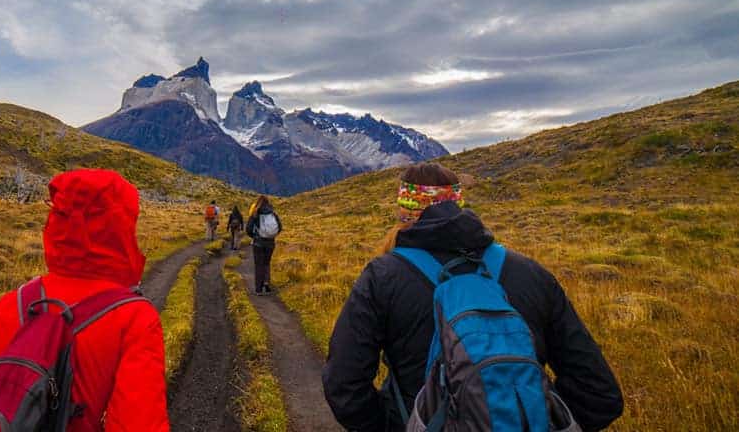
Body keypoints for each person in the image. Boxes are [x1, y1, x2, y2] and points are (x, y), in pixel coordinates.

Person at [322, 162, 623, 432]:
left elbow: (344, 386)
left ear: (404, 210)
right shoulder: (530, 273)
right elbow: (600, 395)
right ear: (459, 204)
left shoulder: (382, 277)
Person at [0, 169, 169, 432]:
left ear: (57, 223)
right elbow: (138, 424)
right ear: (119, 229)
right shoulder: (135, 319)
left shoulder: (12, 303)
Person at [246, 195, 282, 295]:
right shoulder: (273, 213)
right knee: (267, 263)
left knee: (259, 265)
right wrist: (272, 235)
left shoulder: (255, 213)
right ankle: (267, 283)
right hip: (270, 243)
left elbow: (248, 229)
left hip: (258, 243)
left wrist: (254, 236)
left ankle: (259, 289)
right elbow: (280, 227)